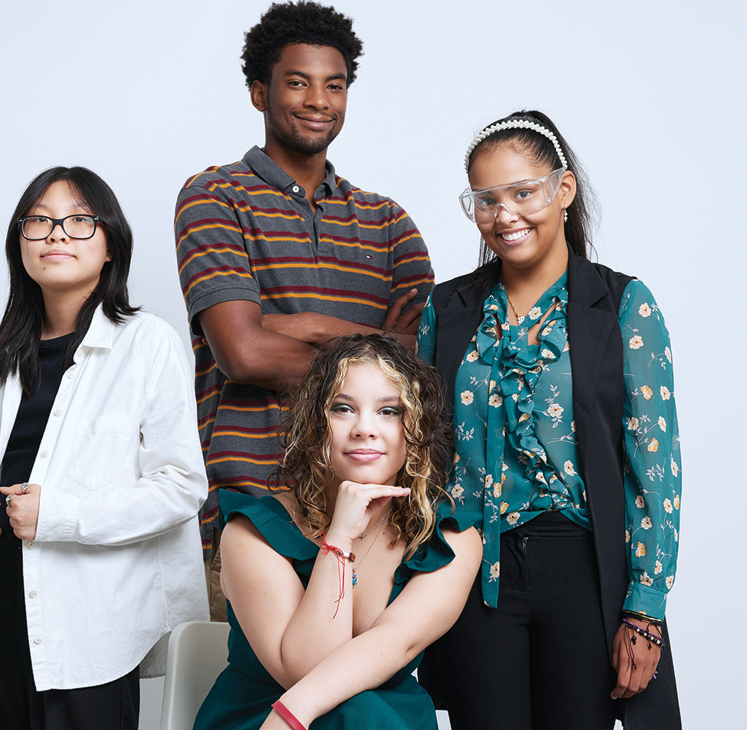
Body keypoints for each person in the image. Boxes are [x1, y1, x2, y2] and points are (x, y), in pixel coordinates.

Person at [415, 111, 684, 729]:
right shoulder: (446, 308)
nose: (504, 215)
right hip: (472, 567)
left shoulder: (622, 306)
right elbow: (423, 449)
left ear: (562, 192)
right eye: (485, 200)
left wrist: (644, 609)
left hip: (582, 569)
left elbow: (654, 464)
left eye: (522, 193)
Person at [173, 0, 435, 620]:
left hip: (377, 516)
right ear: (259, 91)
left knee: (364, 705)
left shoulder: (388, 222)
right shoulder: (214, 196)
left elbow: (422, 368)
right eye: (298, 82)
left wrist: (310, 326)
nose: (319, 99)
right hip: (253, 510)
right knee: (258, 709)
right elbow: (243, 353)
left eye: (334, 84)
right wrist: (375, 350)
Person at [0, 166, 209, 730]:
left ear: (111, 243)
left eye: (79, 221)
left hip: (88, 633)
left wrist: (60, 516)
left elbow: (181, 485)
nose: (56, 234)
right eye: (38, 221)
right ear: (20, 243)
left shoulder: (145, 343)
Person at [193, 334, 481, 730]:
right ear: (314, 425)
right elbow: (305, 669)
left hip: (376, 717)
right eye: (342, 409)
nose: (365, 428)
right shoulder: (252, 532)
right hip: (259, 714)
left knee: (364, 714)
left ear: (417, 430)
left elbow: (395, 643)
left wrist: (291, 714)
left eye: (390, 411)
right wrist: (340, 538)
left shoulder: (453, 541)